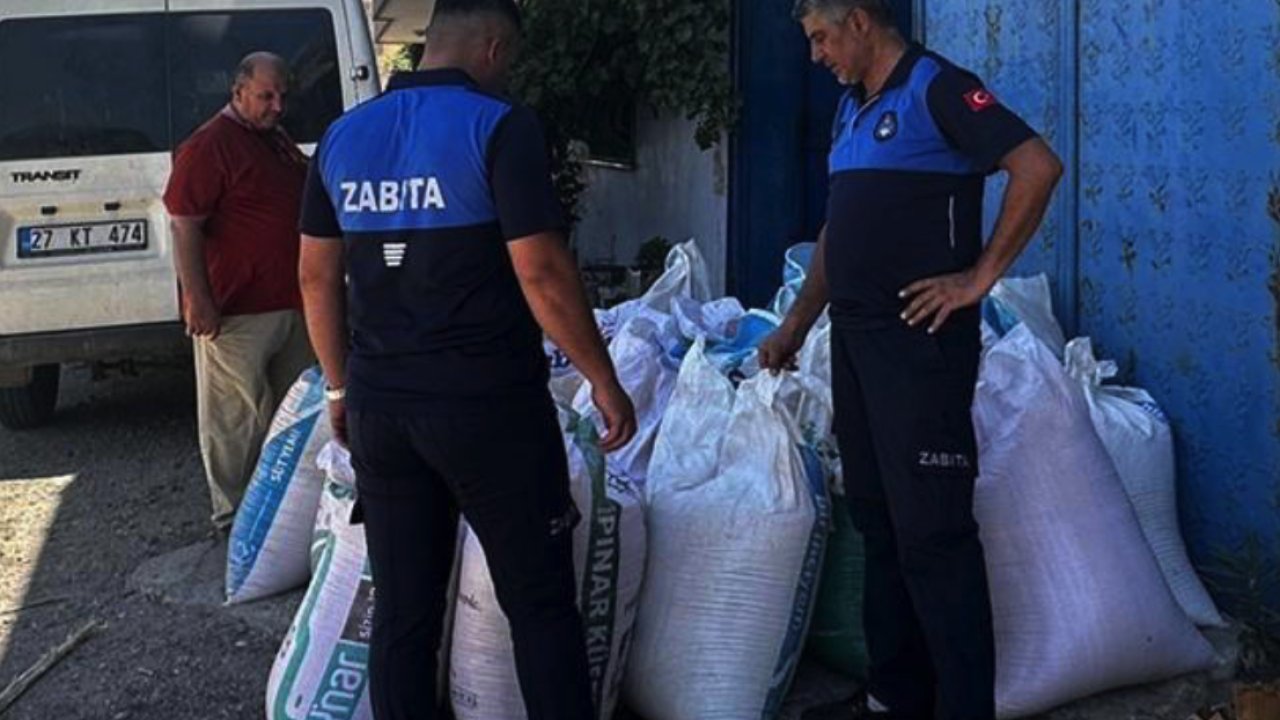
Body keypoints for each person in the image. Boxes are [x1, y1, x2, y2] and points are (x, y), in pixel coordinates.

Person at [297, 1, 637, 718]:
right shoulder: (500, 126)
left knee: (403, 614)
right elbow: (541, 270)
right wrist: (603, 380)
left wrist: (337, 389)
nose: (505, 72)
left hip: (381, 408)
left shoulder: (342, 136)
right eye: (506, 58)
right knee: (540, 603)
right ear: (490, 46)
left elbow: (315, 277)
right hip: (487, 409)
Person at [760, 2, 1063, 718]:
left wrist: (978, 276)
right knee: (877, 521)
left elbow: (1037, 167)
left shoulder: (938, 88)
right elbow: (841, 225)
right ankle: (893, 698)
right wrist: (798, 323)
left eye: (820, 38)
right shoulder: (850, 111)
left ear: (859, 20)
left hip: (919, 347)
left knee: (934, 532)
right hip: (857, 345)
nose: (817, 56)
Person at [164, 52, 315, 535]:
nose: (277, 106)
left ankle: (283, 510)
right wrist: (197, 298)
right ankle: (233, 516)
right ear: (238, 93)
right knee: (236, 419)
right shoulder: (210, 145)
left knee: (291, 411)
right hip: (236, 310)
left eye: (282, 97)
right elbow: (185, 225)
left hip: (290, 300)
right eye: (266, 96)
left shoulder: (274, 140)